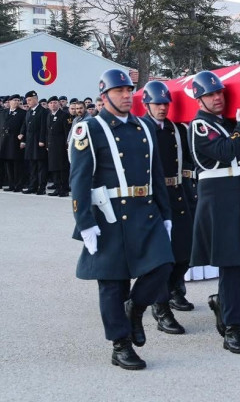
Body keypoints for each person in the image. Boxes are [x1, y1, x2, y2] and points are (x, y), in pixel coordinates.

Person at [69, 69, 175, 370]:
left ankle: (135, 309)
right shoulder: (90, 128)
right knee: (113, 283)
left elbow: (156, 173)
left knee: (163, 265)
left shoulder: (144, 126)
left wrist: (165, 213)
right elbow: (79, 179)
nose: (127, 95)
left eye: (129, 90)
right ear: (105, 96)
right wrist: (84, 221)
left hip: (145, 210)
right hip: (109, 215)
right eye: (119, 91)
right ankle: (121, 345)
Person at [188, 70, 240, 354]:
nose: (217, 98)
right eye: (210, 95)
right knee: (232, 264)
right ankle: (232, 329)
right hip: (221, 201)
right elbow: (225, 151)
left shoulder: (230, 123)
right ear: (199, 99)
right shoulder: (200, 126)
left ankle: (225, 302)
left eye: (219, 93)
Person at [139, 80, 195, 333]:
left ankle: (173, 288)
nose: (162, 108)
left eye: (165, 104)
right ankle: (160, 308)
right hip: (154, 195)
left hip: (178, 192)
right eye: (157, 104)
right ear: (147, 105)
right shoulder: (141, 128)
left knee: (185, 251)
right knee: (161, 257)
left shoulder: (176, 129)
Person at [0, 94, 26, 192]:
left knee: (17, 165)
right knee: (8, 164)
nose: (16, 102)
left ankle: (18, 185)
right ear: (9, 102)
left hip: (15, 141)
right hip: (4, 141)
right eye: (14, 100)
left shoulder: (22, 113)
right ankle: (11, 184)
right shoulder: (3, 112)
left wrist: (23, 140)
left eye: (18, 100)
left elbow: (24, 127)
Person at [22, 90, 48, 194]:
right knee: (32, 165)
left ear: (36, 99)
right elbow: (26, 126)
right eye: (27, 100)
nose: (28, 102)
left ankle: (41, 187)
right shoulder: (29, 111)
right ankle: (32, 186)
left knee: (41, 166)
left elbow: (43, 127)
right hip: (30, 142)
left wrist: (42, 140)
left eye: (30, 100)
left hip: (38, 142)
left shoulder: (43, 111)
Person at [45, 96, 71, 197]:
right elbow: (47, 132)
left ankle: (64, 189)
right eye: (51, 103)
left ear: (59, 104)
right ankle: (57, 187)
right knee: (54, 168)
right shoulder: (49, 115)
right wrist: (47, 144)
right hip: (52, 146)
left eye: (55, 102)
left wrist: (67, 145)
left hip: (61, 147)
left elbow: (67, 132)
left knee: (62, 168)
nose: (53, 105)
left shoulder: (65, 115)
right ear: (48, 105)